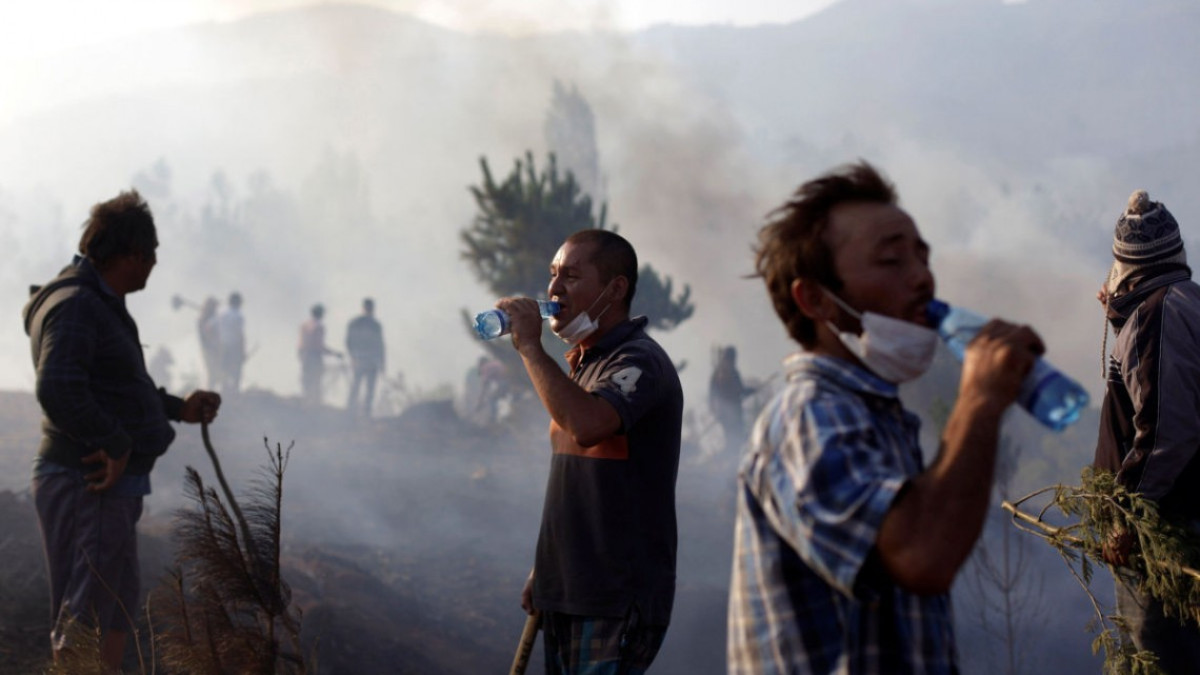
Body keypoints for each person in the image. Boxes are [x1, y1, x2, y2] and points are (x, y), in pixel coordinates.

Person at [726, 161, 1044, 674]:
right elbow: (922, 555)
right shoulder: (811, 415)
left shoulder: (875, 418)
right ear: (814, 299)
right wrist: (980, 399)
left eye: (922, 257)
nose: (923, 278)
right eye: (892, 260)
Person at [21, 189, 222, 671]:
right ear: (135, 255)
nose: (154, 267)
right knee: (84, 618)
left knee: (110, 610)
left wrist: (178, 409)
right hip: (87, 481)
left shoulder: (98, 303)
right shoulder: (78, 307)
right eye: (152, 257)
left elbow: (113, 387)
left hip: (105, 487)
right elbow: (58, 387)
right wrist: (114, 443)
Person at [496, 229, 683, 674]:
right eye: (553, 275)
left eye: (573, 276)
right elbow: (578, 485)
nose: (555, 289)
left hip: (614, 595)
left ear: (616, 289)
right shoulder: (584, 364)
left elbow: (588, 427)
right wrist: (548, 567)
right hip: (569, 588)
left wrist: (529, 346)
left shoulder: (638, 361)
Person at [1094, 189, 1200, 672]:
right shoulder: (1178, 304)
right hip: (1177, 521)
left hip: (1167, 530)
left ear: (1126, 268)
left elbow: (1165, 433)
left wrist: (1127, 518)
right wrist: (1121, 318)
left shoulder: (1157, 317)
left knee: (1158, 657)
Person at [708, 345, 754, 453]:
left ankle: (730, 459)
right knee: (734, 438)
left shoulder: (719, 373)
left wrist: (714, 409)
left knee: (732, 438)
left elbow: (712, 394)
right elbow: (739, 390)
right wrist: (749, 391)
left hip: (727, 412)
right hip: (731, 413)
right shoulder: (729, 373)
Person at [344, 297, 385, 418]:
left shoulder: (354, 323)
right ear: (372, 309)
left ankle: (350, 412)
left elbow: (348, 342)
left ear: (363, 308)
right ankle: (366, 414)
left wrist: (352, 356)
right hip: (371, 361)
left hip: (360, 359)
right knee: (369, 389)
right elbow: (380, 345)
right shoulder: (375, 325)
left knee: (356, 386)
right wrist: (382, 363)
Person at [298, 303, 340, 405]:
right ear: (321, 314)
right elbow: (319, 346)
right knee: (316, 380)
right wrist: (335, 354)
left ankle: (306, 401)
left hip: (304, 355)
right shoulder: (319, 327)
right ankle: (314, 404)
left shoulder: (304, 325)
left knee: (306, 380)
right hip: (314, 356)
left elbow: (301, 343)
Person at [215, 291, 246, 394]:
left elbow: (209, 327)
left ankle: (224, 390)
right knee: (236, 370)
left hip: (222, 345)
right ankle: (234, 391)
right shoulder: (238, 316)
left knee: (224, 368)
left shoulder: (221, 313)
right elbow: (240, 334)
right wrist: (243, 350)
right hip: (234, 346)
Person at [197, 296, 220, 388]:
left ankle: (211, 389)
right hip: (209, 349)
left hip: (210, 349)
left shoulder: (206, 319)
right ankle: (209, 390)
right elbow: (207, 334)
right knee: (212, 373)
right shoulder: (203, 320)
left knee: (214, 373)